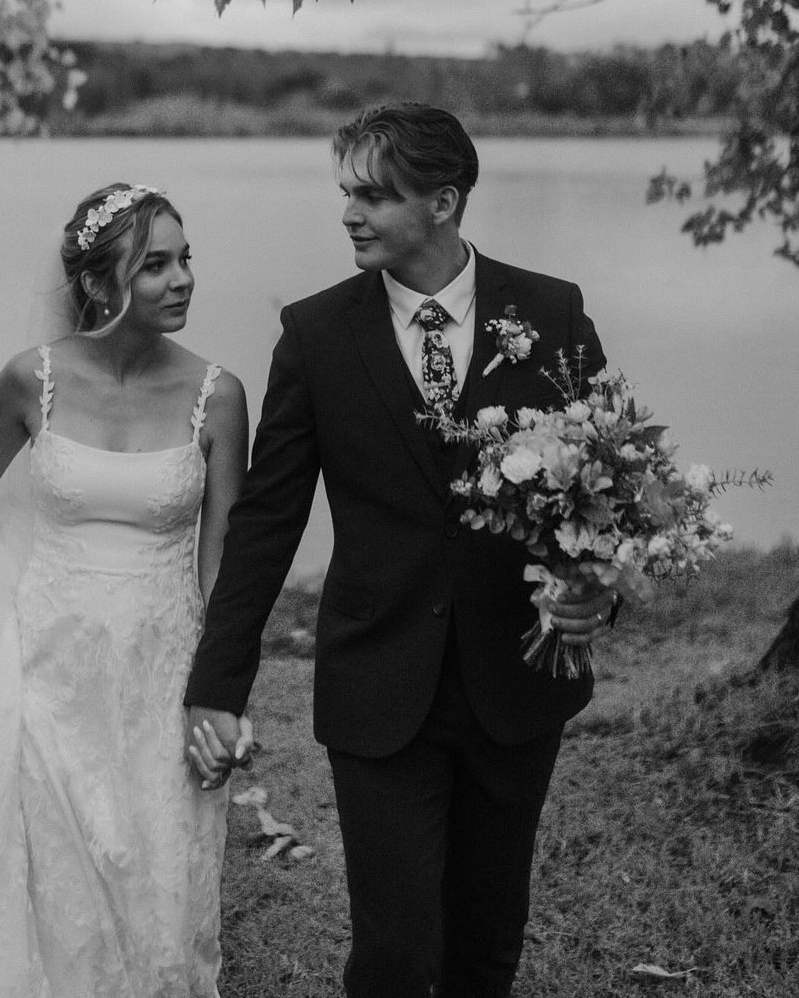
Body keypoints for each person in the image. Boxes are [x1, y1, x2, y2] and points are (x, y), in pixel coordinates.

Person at [184, 106, 618, 998]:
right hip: (377, 683)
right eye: (346, 191)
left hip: (516, 682)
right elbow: (267, 522)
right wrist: (218, 683)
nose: (349, 213)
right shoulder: (316, 334)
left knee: (485, 944)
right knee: (393, 952)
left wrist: (594, 588)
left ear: (443, 202)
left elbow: (607, 482)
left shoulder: (551, 311)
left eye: (374, 195)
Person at [0, 182, 252, 998]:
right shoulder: (33, 379)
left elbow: (222, 560)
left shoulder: (220, 394)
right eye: (155, 265)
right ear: (98, 281)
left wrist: (222, 689)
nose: (182, 280)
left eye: (185, 258)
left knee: (150, 875)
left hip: (159, 665)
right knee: (30, 869)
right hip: (39, 661)